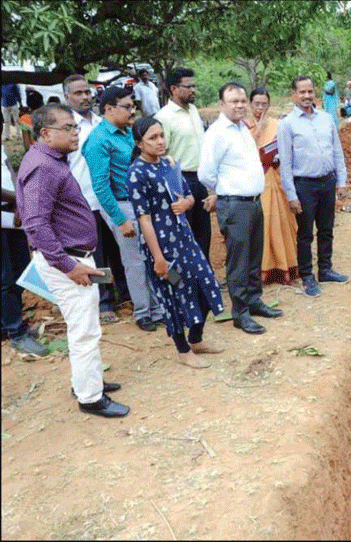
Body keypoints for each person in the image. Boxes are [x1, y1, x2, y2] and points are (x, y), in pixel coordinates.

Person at [16, 103, 128, 417]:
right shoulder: (43, 166)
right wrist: (69, 266)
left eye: (76, 127)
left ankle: (86, 382)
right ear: (45, 133)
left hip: (72, 258)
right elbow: (36, 224)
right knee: (84, 330)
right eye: (68, 128)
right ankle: (90, 398)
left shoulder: (50, 159)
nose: (75, 132)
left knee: (83, 327)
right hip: (66, 262)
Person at [128, 117, 225, 368]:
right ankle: (183, 350)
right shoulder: (136, 173)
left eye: (162, 135)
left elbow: (190, 195)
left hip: (184, 238)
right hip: (162, 247)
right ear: (139, 143)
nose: (160, 141)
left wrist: (187, 204)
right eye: (153, 138)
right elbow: (144, 220)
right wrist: (158, 258)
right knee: (174, 295)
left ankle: (196, 338)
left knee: (205, 283)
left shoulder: (169, 164)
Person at [199, 82, 283, 333]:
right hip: (235, 205)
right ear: (221, 104)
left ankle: (255, 301)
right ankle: (240, 312)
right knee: (239, 261)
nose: (239, 105)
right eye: (233, 101)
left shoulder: (242, 128)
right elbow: (206, 173)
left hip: (254, 203)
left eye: (242, 100)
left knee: (254, 257)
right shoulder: (217, 133)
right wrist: (224, 191)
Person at [83, 86, 165, 332]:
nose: (132, 111)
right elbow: (100, 186)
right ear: (108, 109)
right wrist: (119, 219)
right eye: (127, 107)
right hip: (123, 205)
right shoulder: (98, 140)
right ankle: (143, 312)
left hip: (143, 203)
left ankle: (159, 307)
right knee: (135, 261)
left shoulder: (127, 133)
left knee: (153, 254)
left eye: (133, 106)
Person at [63, 74, 129, 324]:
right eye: (78, 93)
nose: (84, 97)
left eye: (87, 92)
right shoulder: (68, 126)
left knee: (118, 249)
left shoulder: (104, 122)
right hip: (83, 201)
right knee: (97, 253)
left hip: (110, 199)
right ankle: (104, 303)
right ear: (67, 96)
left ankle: (125, 293)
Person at [277, 75, 349, 296]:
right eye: (302, 92)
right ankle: (307, 275)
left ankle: (325, 269)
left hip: (327, 182)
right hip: (304, 185)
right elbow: (285, 163)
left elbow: (337, 151)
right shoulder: (287, 124)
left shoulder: (326, 119)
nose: (307, 96)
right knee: (305, 234)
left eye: (310, 91)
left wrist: (341, 181)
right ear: (294, 95)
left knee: (326, 229)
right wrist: (291, 194)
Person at [155, 67, 212, 264]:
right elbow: (161, 153)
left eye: (194, 85)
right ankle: (190, 277)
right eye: (188, 86)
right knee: (185, 231)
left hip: (200, 178)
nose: (193, 90)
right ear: (174, 88)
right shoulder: (164, 117)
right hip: (179, 180)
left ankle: (205, 274)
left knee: (204, 230)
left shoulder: (194, 111)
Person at [245, 87, 298, 285]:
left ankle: (287, 266)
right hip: (258, 181)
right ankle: (264, 268)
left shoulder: (278, 125)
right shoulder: (243, 126)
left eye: (264, 104)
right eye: (256, 104)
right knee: (265, 223)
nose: (260, 108)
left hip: (278, 179)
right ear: (250, 104)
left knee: (284, 221)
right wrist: (257, 131)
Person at [1, 138, 48, 355]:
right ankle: (16, 332)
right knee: (5, 279)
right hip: (7, 214)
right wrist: (21, 199)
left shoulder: (2, 147)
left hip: (11, 218)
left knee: (19, 272)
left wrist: (19, 199)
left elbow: (11, 172)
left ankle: (11, 321)